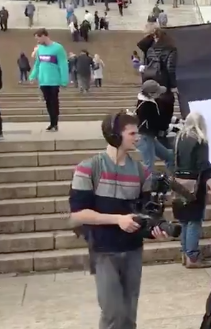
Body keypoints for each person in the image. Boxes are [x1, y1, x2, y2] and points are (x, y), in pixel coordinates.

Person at [68, 112, 171, 329]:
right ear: (115, 135)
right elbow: (77, 214)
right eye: (132, 133)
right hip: (103, 250)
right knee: (113, 313)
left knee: (129, 316)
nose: (138, 138)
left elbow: (145, 214)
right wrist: (117, 220)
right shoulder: (89, 168)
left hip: (133, 249)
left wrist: (156, 229)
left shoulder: (142, 172)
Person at [173, 112, 211, 268]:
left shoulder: (179, 139)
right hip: (195, 183)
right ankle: (192, 256)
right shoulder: (199, 141)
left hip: (179, 182)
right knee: (194, 219)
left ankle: (185, 253)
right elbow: (203, 167)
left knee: (184, 220)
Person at [29, 29, 68, 131]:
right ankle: (52, 122)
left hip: (54, 80)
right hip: (43, 80)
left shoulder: (58, 48)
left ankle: (55, 122)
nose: (37, 41)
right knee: (48, 102)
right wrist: (32, 76)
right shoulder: (40, 49)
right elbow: (37, 64)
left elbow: (63, 64)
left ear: (44, 36)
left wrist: (64, 80)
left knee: (54, 101)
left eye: (38, 39)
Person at [135, 80, 175, 175]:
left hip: (150, 136)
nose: (160, 94)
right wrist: (170, 128)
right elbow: (155, 122)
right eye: (158, 92)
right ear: (150, 94)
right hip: (145, 137)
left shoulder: (149, 102)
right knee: (149, 165)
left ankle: (171, 178)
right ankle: (148, 183)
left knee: (169, 156)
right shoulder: (147, 105)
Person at [138, 27, 178, 120]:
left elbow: (146, 64)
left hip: (150, 78)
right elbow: (170, 68)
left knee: (153, 100)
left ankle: (155, 119)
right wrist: (173, 85)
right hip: (164, 80)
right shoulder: (171, 49)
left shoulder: (149, 49)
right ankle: (165, 121)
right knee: (166, 101)